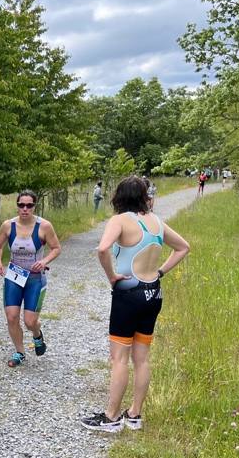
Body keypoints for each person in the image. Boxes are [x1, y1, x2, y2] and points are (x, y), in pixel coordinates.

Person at [80, 175, 190, 432]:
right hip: (153, 294)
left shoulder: (119, 221)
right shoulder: (157, 222)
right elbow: (183, 247)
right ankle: (135, 414)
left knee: (119, 358)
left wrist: (112, 277)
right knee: (141, 358)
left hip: (128, 294)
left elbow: (102, 249)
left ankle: (110, 417)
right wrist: (161, 272)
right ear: (143, 196)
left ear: (119, 196)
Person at [0, 189, 62, 367]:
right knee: (11, 317)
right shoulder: (8, 226)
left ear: (34, 206)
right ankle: (20, 352)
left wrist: (44, 260)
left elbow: (56, 248)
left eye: (29, 205)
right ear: (17, 206)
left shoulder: (44, 226)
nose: (25, 209)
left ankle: (37, 335)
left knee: (30, 321)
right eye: (21, 205)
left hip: (34, 279)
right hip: (14, 276)